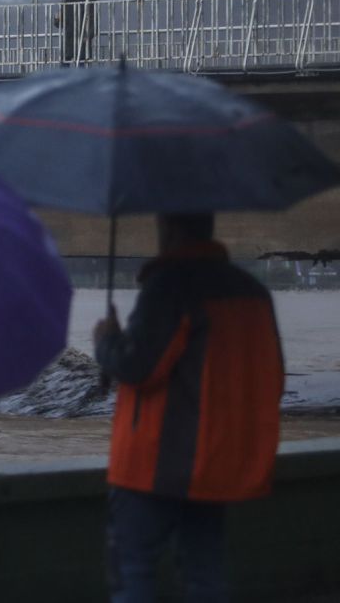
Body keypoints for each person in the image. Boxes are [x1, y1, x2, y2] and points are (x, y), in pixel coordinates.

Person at [93, 213, 284, 603]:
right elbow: (272, 376)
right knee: (204, 575)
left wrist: (106, 341)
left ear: (169, 227)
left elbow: (137, 366)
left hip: (153, 466)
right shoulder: (252, 293)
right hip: (217, 463)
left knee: (132, 569)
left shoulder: (169, 286)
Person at [56, 0, 97, 66]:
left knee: (79, 63)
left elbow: (94, 25)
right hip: (70, 39)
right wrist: (57, 18)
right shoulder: (65, 4)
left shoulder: (88, 4)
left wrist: (88, 36)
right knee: (67, 63)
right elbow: (58, 24)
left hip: (81, 39)